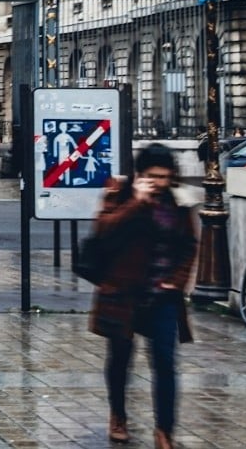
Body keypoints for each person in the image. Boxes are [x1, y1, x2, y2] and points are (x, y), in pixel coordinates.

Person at [89, 143, 195, 449]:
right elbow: (103, 231)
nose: (160, 183)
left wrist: (176, 281)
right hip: (123, 293)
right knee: (120, 359)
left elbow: (188, 245)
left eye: (164, 176)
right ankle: (118, 415)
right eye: (153, 176)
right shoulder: (120, 194)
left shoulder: (178, 202)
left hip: (162, 297)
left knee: (165, 362)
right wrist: (137, 202)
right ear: (141, 174)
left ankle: (164, 431)